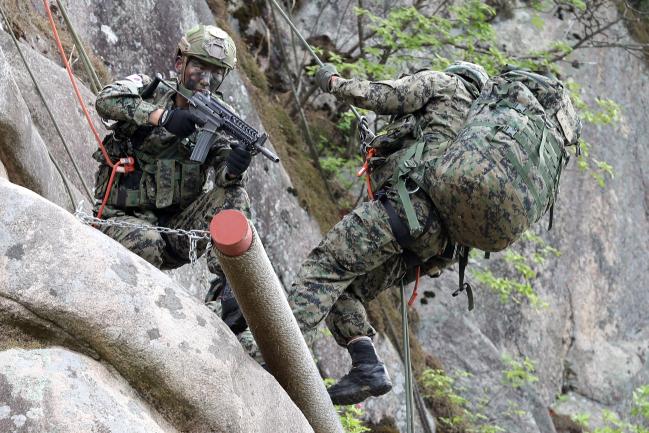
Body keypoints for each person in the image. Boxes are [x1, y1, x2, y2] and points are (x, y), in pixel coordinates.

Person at [288, 61, 489, 405]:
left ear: (458, 74)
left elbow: (385, 96)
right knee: (346, 288)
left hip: (404, 211)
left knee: (325, 267)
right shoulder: (478, 131)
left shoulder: (444, 85)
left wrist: (334, 82)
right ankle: (367, 365)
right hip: (432, 250)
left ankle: (276, 353)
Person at [93, 24, 259, 361]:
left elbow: (225, 178)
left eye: (216, 73)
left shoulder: (217, 116)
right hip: (120, 221)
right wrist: (161, 116)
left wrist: (236, 164)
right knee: (149, 242)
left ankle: (230, 292)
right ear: (180, 61)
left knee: (236, 197)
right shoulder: (149, 88)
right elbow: (106, 99)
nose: (205, 79)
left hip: (176, 232)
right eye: (199, 66)